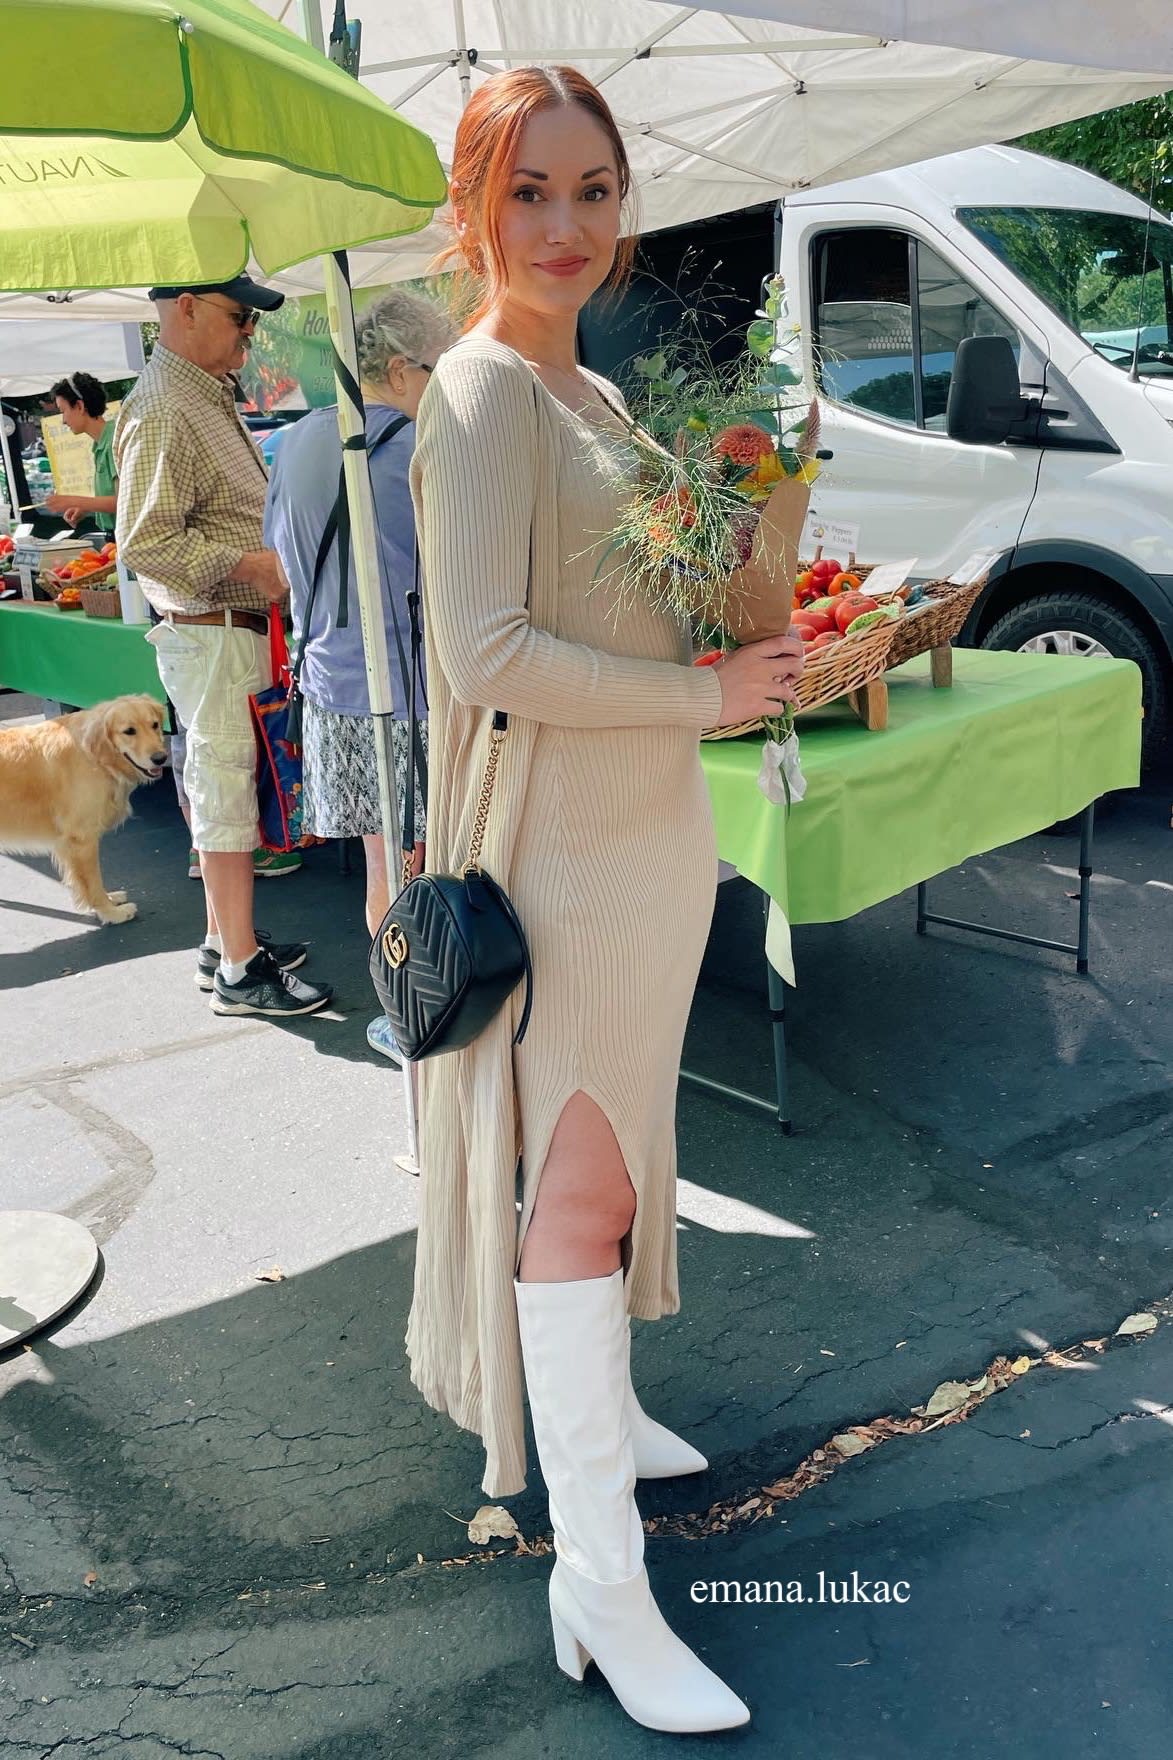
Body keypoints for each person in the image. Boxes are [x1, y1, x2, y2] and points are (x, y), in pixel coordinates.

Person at [406, 66, 805, 1735]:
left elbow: (666, 613)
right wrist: (704, 702)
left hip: (644, 846)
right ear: (471, 209)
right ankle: (598, 1579)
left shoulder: (596, 396)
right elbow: (478, 653)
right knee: (576, 1197)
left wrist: (759, 501)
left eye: (591, 190)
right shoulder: (487, 391)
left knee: (622, 1168)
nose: (564, 227)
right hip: (563, 854)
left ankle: (603, 1409)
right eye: (527, 193)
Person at [114, 277, 332, 1018]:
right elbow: (145, 543)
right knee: (225, 793)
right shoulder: (166, 403)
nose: (249, 335)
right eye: (240, 317)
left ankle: (223, 939)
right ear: (187, 309)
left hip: (228, 634)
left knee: (229, 788)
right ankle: (239, 970)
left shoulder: (195, 392)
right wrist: (257, 566)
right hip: (213, 634)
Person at [264, 287, 457, 1060]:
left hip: (333, 689)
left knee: (385, 862)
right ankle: (447, 1023)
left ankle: (405, 1014)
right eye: (440, 369)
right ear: (405, 369)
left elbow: (282, 562)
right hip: (414, 692)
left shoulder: (298, 441)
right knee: (439, 865)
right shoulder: (418, 450)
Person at [45, 372, 118, 533]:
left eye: (63, 410)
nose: (63, 420)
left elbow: (125, 502)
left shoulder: (114, 440)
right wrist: (85, 508)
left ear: (79, 406)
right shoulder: (100, 443)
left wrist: (74, 500)